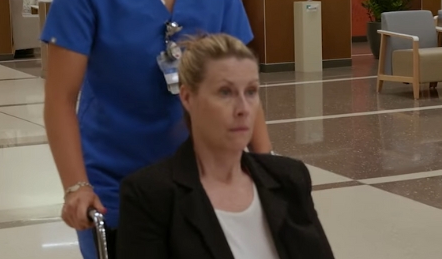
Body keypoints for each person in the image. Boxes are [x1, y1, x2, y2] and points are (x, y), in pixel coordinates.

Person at [40, 0, 273, 258]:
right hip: (115, 184)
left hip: (206, 178)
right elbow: (60, 99)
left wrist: (265, 165)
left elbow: (244, 89)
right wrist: (76, 186)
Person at [117, 34, 335, 259]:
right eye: (225, 92)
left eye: (251, 92)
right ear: (188, 97)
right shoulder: (151, 196)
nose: (243, 109)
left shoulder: (289, 178)